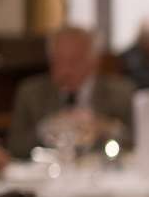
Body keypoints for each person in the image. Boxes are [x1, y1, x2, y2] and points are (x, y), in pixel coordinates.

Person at [7, 26, 135, 159]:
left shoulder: (121, 92)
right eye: (59, 61)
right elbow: (15, 148)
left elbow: (139, 141)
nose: (66, 70)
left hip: (104, 174)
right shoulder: (31, 93)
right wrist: (45, 129)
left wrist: (107, 128)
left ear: (93, 61)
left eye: (74, 61)